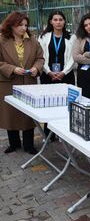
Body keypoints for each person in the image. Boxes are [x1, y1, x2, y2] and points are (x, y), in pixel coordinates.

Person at [0, 12, 44, 154]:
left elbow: (40, 58)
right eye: (20, 25)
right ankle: (14, 143)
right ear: (11, 25)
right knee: (10, 113)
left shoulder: (32, 41)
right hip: (8, 81)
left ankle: (29, 145)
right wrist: (12, 69)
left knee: (28, 114)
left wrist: (36, 68)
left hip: (28, 82)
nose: (24, 28)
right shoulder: (2, 41)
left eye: (26, 25)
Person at [38, 10, 76, 141]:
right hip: (47, 75)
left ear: (64, 21)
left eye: (61, 19)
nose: (58, 22)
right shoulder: (44, 36)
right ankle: (48, 134)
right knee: (49, 104)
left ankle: (63, 134)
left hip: (66, 75)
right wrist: (48, 71)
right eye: (55, 20)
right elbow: (40, 56)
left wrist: (63, 72)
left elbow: (73, 58)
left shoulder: (72, 37)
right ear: (50, 21)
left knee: (65, 104)